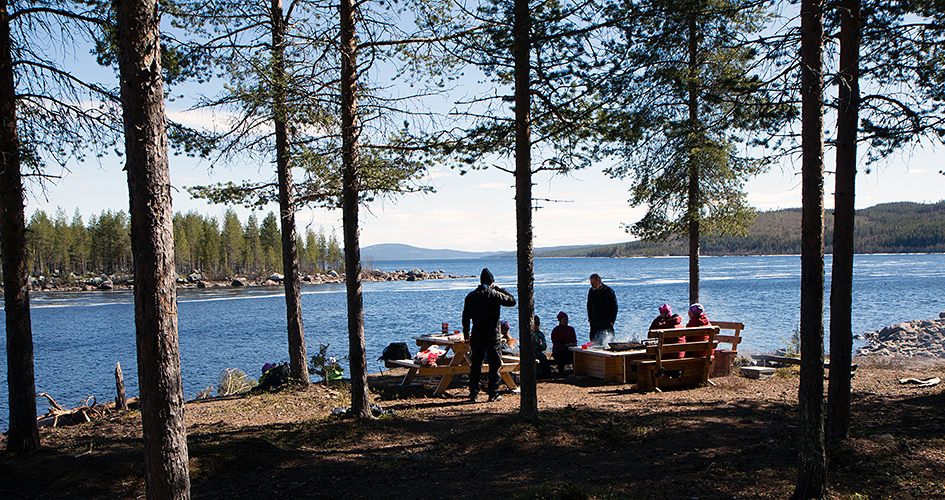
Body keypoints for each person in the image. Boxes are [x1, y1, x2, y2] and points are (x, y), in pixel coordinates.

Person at [462, 268, 516, 402]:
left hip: (477, 336)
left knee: (476, 366)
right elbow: (512, 301)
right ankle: (493, 393)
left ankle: (474, 394)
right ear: (492, 282)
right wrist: (500, 289)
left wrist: (466, 333)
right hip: (493, 337)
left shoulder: (471, 297)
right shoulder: (494, 295)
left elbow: (465, 317)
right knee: (494, 366)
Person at [586, 273, 618, 344]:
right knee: (594, 342)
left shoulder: (609, 291)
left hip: (606, 322)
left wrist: (612, 321)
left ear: (599, 281)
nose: (592, 285)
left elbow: (614, 307)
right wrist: (590, 319)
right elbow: (589, 305)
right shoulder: (591, 292)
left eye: (594, 283)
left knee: (608, 341)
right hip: (595, 322)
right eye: (591, 283)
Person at [550, 311, 577, 376]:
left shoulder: (571, 329)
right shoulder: (556, 330)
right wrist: (564, 345)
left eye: (567, 319)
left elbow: (574, 340)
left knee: (575, 353)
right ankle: (561, 371)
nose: (566, 321)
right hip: (558, 350)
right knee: (563, 352)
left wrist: (573, 344)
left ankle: (576, 370)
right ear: (560, 320)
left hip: (569, 349)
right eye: (564, 319)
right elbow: (556, 343)